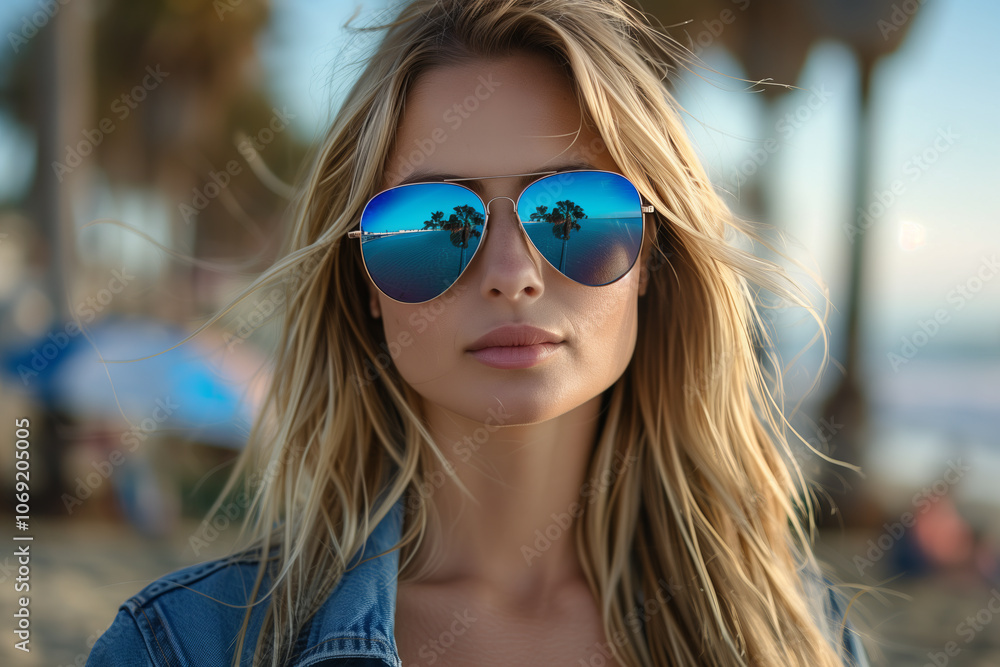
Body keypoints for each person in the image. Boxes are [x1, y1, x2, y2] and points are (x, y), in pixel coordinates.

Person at [87, 0, 871, 665]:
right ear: (363, 278)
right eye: (433, 222)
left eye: (576, 213)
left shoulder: (788, 629)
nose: (511, 272)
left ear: (650, 256)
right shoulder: (186, 646)